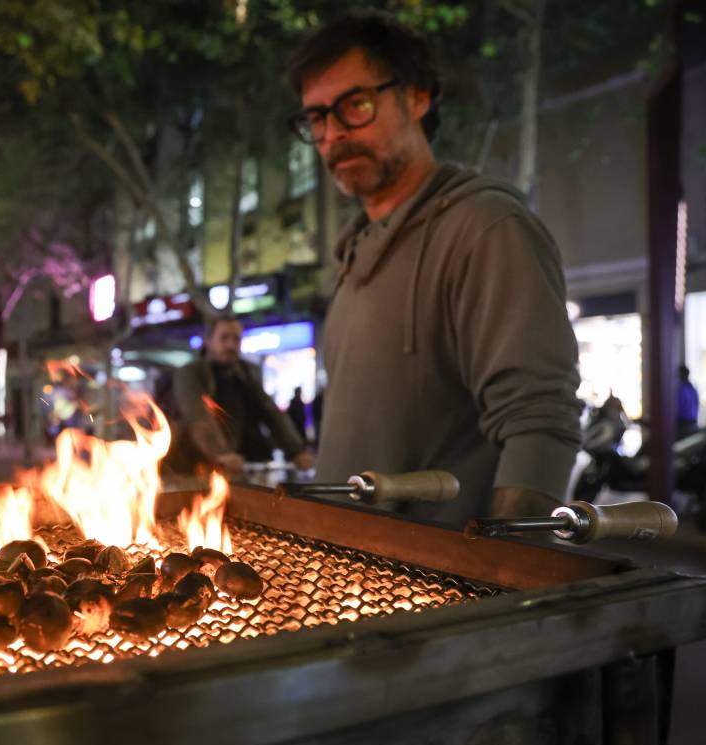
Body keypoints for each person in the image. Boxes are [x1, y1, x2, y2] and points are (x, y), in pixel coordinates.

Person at [286, 12, 582, 525]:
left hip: (433, 593)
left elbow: (540, 422)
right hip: (336, 581)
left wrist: (503, 577)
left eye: (355, 105)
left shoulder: (485, 227)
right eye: (317, 117)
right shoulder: (352, 254)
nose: (334, 134)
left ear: (418, 96)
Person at [167, 314, 315, 478]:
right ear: (209, 341)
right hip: (199, 467)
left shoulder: (247, 373)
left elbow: (270, 411)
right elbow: (197, 415)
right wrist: (221, 453)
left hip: (244, 465)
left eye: (236, 339)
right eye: (224, 338)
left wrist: (296, 451)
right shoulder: (191, 373)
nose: (231, 345)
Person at [677, 365, 699, 437]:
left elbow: (678, 408)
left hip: (683, 425)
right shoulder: (693, 389)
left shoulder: (681, 389)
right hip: (693, 423)